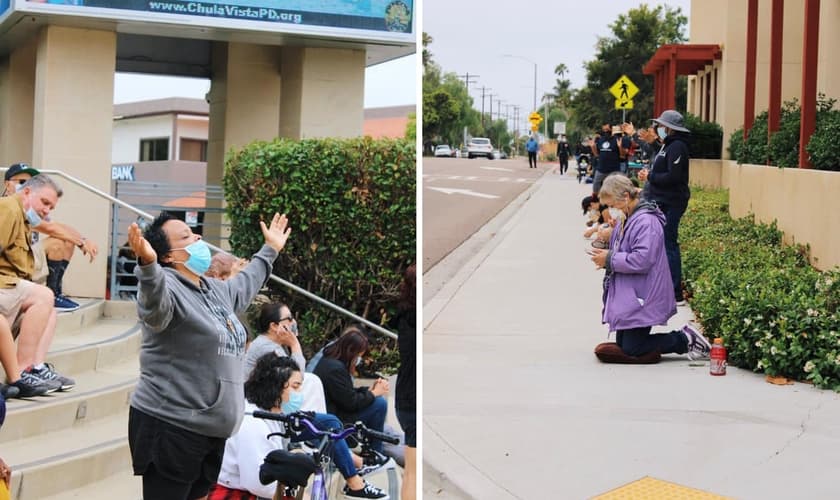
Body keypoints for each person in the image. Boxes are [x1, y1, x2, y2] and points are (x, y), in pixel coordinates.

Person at [126, 211, 291, 500]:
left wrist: (270, 249)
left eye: (194, 233)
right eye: (186, 237)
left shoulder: (213, 290)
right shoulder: (164, 286)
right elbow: (154, 308)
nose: (197, 238)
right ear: (167, 256)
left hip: (212, 430)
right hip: (171, 425)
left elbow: (247, 282)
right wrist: (148, 266)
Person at [210, 354, 388, 500]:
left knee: (329, 424)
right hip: (236, 491)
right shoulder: (253, 424)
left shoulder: (273, 413)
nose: (300, 395)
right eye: (295, 387)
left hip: (252, 486)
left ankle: (355, 478)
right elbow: (258, 483)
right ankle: (356, 481)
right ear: (276, 387)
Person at [587, 174, 710, 360]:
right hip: (633, 292)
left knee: (633, 347)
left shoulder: (646, 221)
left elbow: (642, 259)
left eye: (613, 205)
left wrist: (610, 259)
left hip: (644, 293)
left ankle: (685, 339)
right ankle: (674, 342)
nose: (611, 210)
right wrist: (606, 242)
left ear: (626, 197)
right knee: (625, 343)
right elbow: (626, 247)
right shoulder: (628, 217)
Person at [0, 173, 74, 392]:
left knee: (48, 309)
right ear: (27, 192)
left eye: (51, 207)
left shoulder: (22, 216)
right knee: (43, 296)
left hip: (9, 286)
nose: (47, 210)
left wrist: (81, 240)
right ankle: (21, 373)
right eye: (45, 202)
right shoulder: (8, 208)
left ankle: (35, 368)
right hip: (4, 285)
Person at [3, 164, 99, 312]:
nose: (25, 186)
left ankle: (55, 292)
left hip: (25, 257)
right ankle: (51, 294)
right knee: (58, 242)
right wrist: (81, 242)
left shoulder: (28, 209)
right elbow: (50, 229)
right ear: (7, 183)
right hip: (11, 269)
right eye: (22, 182)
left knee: (65, 240)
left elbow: (58, 226)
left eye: (30, 182)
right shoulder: (9, 207)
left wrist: (82, 239)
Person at [634, 110, 692, 304]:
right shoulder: (666, 146)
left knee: (669, 244)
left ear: (670, 128)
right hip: (661, 200)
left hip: (672, 202)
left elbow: (674, 177)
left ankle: (675, 292)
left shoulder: (678, 147)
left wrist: (650, 177)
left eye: (661, 126)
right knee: (659, 244)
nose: (659, 129)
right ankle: (662, 285)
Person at [313, 326, 389, 453]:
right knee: (379, 404)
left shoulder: (330, 360)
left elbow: (345, 393)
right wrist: (374, 393)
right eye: (358, 355)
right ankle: (375, 451)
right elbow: (351, 403)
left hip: (336, 411)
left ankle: (372, 449)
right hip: (335, 419)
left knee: (376, 401)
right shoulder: (335, 369)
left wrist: (369, 391)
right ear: (351, 352)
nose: (358, 360)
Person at [243, 302, 327, 413]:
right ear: (274, 326)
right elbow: (297, 376)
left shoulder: (271, 344)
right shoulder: (266, 347)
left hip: (268, 399)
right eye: (289, 319)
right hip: (259, 403)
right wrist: (294, 344)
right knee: (312, 382)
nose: (293, 322)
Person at [395, 264, 416, 500]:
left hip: (404, 399)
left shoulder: (403, 318)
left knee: (412, 472)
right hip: (413, 399)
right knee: (413, 472)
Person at [588, 122, 631, 195]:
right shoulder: (601, 140)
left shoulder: (617, 139)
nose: (605, 132)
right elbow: (597, 155)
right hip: (601, 169)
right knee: (596, 186)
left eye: (607, 130)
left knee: (616, 188)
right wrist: (593, 147)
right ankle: (597, 201)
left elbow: (622, 155)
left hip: (614, 169)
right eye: (604, 130)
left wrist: (620, 147)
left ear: (611, 129)